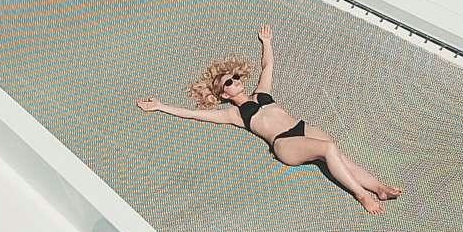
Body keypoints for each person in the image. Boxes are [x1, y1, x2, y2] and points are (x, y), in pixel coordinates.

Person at [137, 25, 403, 214]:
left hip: (300, 127)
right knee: (328, 150)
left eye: (235, 78)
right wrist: (161, 106)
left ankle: (378, 187)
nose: (234, 82)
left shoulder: (261, 93)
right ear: (224, 94)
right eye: (228, 83)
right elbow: (196, 114)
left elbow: (268, 67)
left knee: (342, 159)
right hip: (284, 143)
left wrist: (266, 43)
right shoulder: (234, 114)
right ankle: (362, 195)